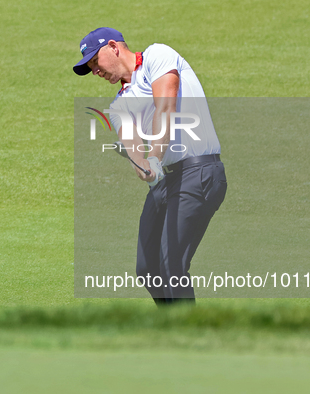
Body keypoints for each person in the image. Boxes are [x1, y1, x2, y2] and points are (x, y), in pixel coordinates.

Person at [73, 27, 227, 305]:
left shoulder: (158, 55)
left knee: (171, 266)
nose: (95, 71)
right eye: (90, 68)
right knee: (147, 270)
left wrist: (153, 156)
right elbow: (137, 156)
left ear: (113, 47)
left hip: (200, 172)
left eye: (95, 61)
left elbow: (165, 107)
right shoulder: (119, 106)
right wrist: (143, 166)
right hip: (168, 181)